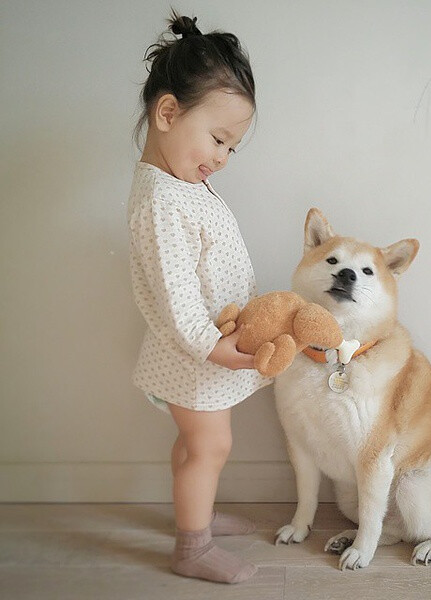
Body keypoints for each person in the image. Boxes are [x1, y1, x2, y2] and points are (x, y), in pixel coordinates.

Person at [127, 9, 273, 584]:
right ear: (167, 112)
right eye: (217, 138)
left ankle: (197, 512)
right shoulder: (162, 201)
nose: (222, 158)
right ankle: (192, 546)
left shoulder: (180, 183)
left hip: (201, 352)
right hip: (195, 356)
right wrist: (215, 348)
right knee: (210, 446)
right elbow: (177, 296)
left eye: (232, 148)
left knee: (196, 447)